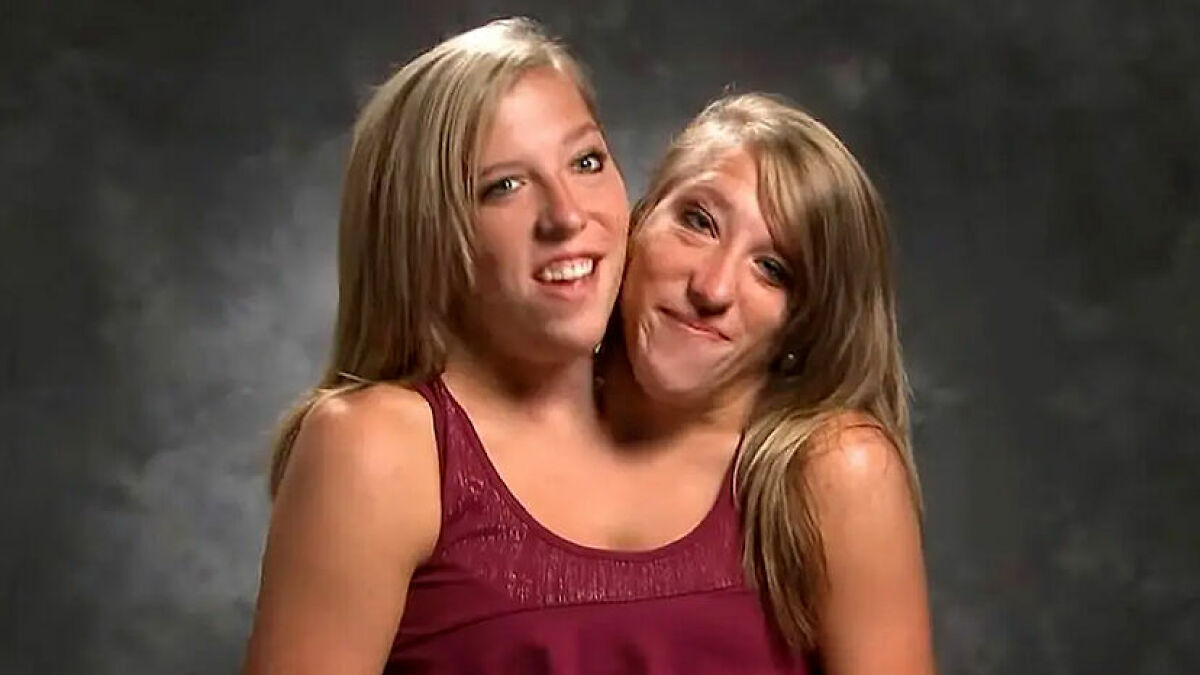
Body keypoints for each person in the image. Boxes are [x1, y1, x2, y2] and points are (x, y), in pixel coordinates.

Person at [240, 17, 632, 673]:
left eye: (586, 161)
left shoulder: (700, 423)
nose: (567, 215)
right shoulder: (376, 446)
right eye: (502, 186)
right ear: (423, 236)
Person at [599, 93, 935, 674]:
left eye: (772, 269)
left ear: (805, 324)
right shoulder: (500, 430)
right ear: (640, 219)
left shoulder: (833, 469)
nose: (712, 288)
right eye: (698, 222)